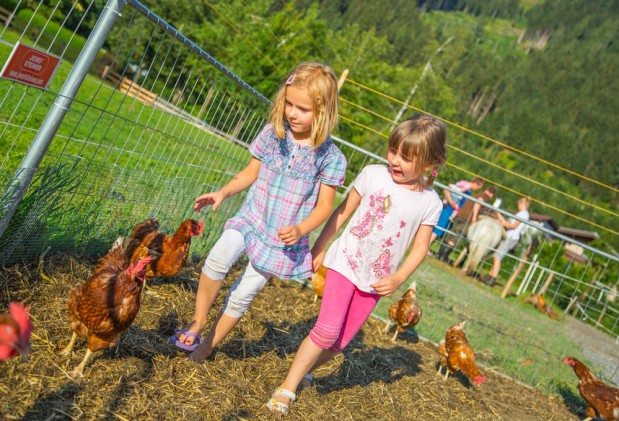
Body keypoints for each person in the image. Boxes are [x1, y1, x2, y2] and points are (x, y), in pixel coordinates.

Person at [265, 114, 447, 414]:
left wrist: (398, 278)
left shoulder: (431, 202)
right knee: (326, 331)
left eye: (407, 157)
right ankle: (288, 386)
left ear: (430, 163)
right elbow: (342, 213)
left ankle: (306, 368)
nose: (395, 161)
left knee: (340, 342)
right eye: (393, 151)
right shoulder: (373, 175)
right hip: (344, 264)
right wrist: (320, 248)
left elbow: (420, 249)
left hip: (375, 280)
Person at [169, 62, 347, 360]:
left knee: (243, 293)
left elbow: (325, 207)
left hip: (282, 239)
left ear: (324, 111)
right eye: (289, 104)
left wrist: (301, 230)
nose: (292, 113)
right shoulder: (272, 134)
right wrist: (223, 192)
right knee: (217, 258)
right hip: (252, 218)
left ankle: (207, 345)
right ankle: (198, 320)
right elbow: (249, 173)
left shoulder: (330, 157)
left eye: (302, 109)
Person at [435, 185, 497, 263]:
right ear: (492, 194)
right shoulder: (484, 196)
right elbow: (478, 204)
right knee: (457, 237)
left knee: (451, 235)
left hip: (460, 215)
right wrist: (474, 218)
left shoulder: (478, 194)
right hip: (467, 219)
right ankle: (443, 256)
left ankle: (439, 254)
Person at [481, 197, 531, 286]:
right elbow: (509, 224)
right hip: (509, 235)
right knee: (497, 255)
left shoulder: (523, 214)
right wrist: (499, 215)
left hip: (511, 237)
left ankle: (492, 278)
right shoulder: (522, 213)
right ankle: (490, 275)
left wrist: (502, 223)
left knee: (497, 256)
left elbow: (513, 226)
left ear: (521, 204)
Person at [428, 177, 484, 253]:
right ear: (477, 184)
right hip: (448, 209)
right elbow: (447, 189)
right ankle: (426, 247)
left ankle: (428, 246)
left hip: (453, 211)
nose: (478, 189)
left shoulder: (469, 192)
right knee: (439, 228)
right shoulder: (463, 185)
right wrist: (451, 202)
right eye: (479, 187)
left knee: (441, 230)